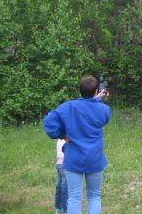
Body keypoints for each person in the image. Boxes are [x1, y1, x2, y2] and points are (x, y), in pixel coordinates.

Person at [43, 76, 111, 214]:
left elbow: (48, 123)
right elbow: (98, 115)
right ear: (96, 91)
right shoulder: (104, 109)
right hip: (94, 159)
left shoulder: (68, 107)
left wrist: (62, 135)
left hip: (74, 158)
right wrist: (97, 100)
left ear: (79, 90)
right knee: (94, 196)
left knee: (74, 197)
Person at [55, 138, 68, 214]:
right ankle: (66, 211)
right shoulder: (67, 136)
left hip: (59, 163)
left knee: (59, 186)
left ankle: (59, 209)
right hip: (65, 162)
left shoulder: (59, 137)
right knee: (65, 188)